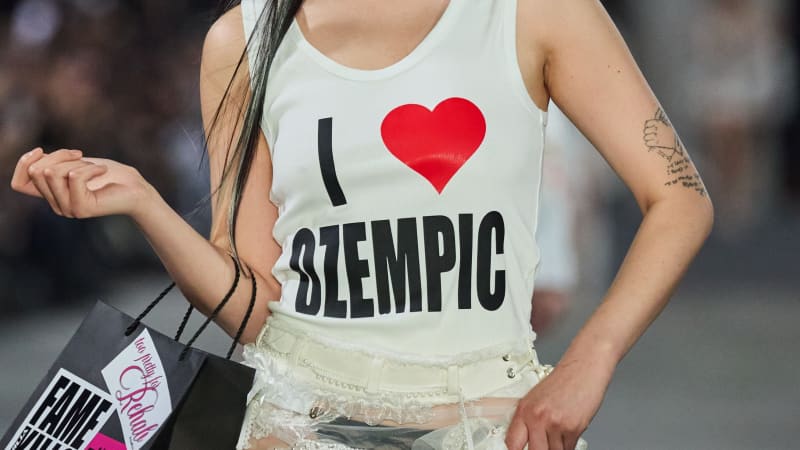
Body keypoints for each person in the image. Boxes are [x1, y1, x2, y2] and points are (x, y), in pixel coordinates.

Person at [10, 0, 714, 449]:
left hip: (489, 423)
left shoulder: (531, 13)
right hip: (294, 422)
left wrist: (591, 360)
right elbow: (259, 310)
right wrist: (147, 206)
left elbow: (680, 198)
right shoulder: (244, 38)